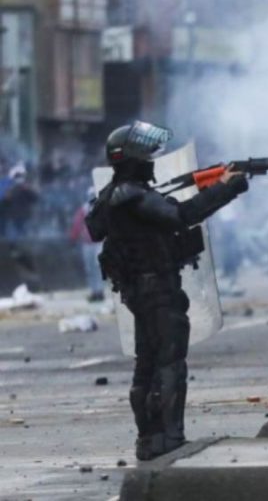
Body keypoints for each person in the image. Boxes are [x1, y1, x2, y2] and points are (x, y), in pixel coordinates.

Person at [84, 121, 249, 460]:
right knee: (169, 362)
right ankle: (167, 437)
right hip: (156, 288)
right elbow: (181, 215)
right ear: (129, 159)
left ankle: (149, 437)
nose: (150, 160)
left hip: (138, 290)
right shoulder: (133, 196)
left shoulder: (112, 198)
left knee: (147, 364)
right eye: (144, 154)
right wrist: (226, 188)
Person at [70, 187, 105, 302]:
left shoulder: (102, 208)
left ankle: (99, 291)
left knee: (97, 268)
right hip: (87, 243)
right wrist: (73, 238)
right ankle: (94, 291)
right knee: (90, 269)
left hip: (98, 243)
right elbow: (77, 225)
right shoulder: (84, 209)